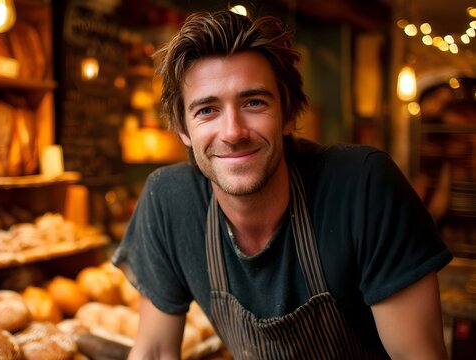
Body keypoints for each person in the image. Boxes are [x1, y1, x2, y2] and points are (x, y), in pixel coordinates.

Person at [112, 9, 452, 360]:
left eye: (254, 102)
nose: (232, 133)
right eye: (207, 110)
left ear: (289, 114)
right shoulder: (170, 202)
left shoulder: (363, 188)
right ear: (183, 129)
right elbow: (153, 351)